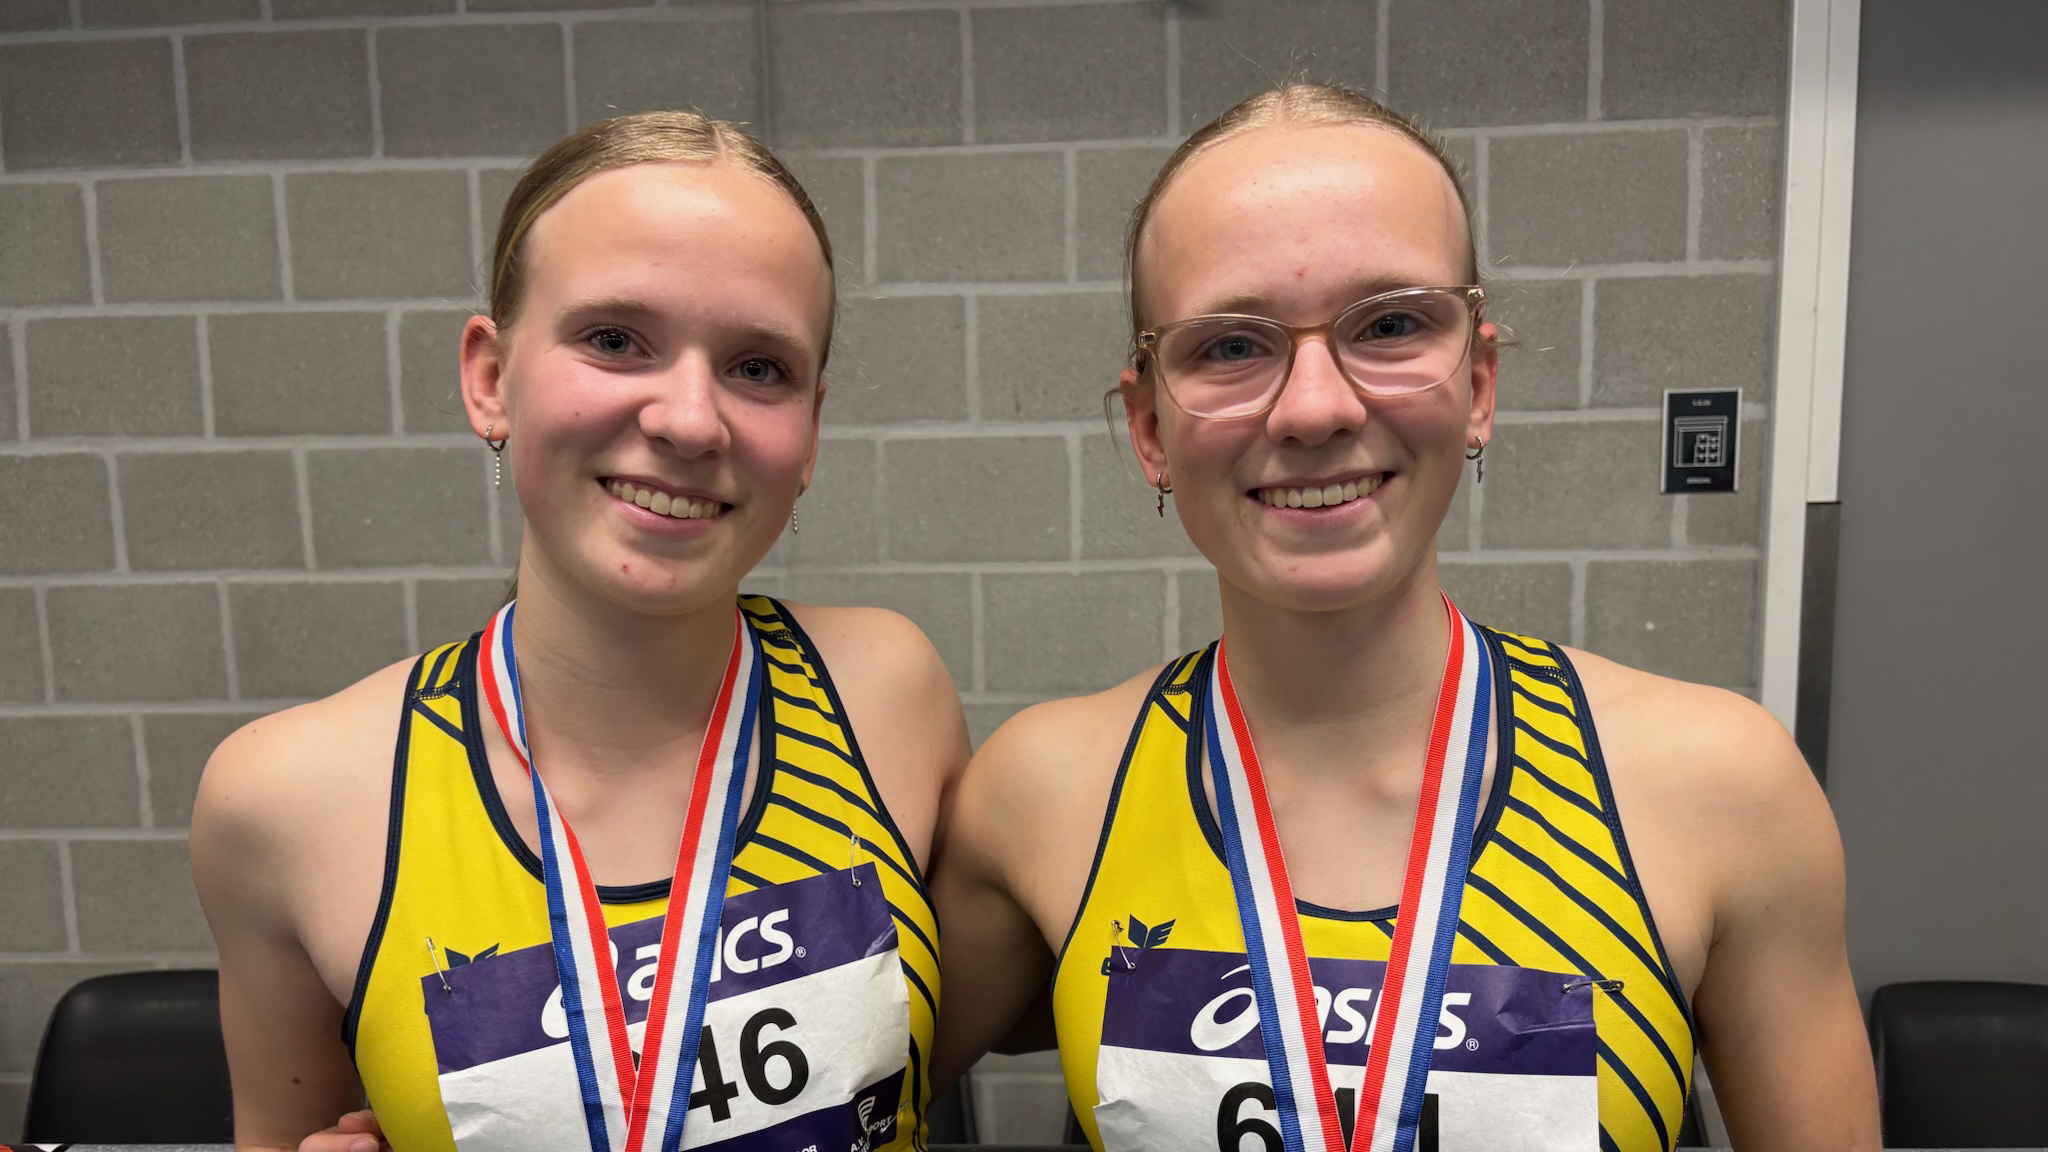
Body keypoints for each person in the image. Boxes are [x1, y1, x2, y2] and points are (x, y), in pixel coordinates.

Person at [929, 85, 1880, 1151]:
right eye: (1230, 346)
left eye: (1388, 325)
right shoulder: (1039, 797)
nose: (1316, 407)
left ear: (1476, 384)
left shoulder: (1718, 787)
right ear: (1148, 425)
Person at [192, 112, 965, 1152]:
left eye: (758, 367)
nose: (691, 420)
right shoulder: (290, 800)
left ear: (810, 428)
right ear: (489, 376)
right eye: (613, 340)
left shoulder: (885, 690)